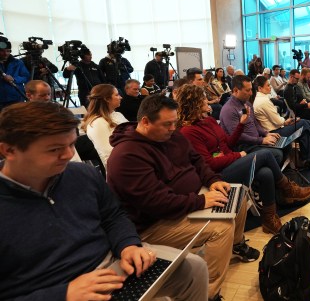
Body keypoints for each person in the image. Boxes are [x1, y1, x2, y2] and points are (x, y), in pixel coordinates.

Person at [0, 101, 208, 301]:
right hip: (55, 289)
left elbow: (113, 215)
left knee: (193, 268)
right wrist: (62, 294)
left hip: (114, 264)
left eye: (72, 144)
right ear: (9, 150)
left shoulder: (81, 174)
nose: (68, 154)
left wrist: (128, 244)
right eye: (54, 149)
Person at [106, 95, 259, 301]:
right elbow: (157, 203)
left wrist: (212, 180)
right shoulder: (126, 156)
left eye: (174, 122)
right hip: (154, 224)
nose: (172, 128)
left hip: (186, 201)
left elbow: (197, 160)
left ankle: (237, 244)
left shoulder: (170, 135)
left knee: (236, 195)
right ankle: (209, 293)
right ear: (145, 122)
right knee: (220, 229)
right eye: (167, 124)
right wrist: (201, 202)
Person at [176, 84, 310, 234]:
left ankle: (268, 220)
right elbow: (208, 163)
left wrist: (241, 125)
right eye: (203, 98)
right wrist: (237, 155)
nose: (206, 100)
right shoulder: (188, 131)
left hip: (229, 162)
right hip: (217, 176)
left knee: (266, 173)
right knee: (267, 154)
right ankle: (288, 189)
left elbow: (227, 144)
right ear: (195, 103)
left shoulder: (208, 121)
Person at [253, 75, 310, 169]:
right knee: (304, 123)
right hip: (274, 133)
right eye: (268, 85)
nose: (270, 87)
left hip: (274, 129)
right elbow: (278, 121)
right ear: (260, 88)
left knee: (303, 130)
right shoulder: (263, 101)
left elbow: (277, 120)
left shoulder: (261, 99)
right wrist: (285, 121)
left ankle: (308, 160)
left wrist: (285, 121)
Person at [219, 75, 285, 164]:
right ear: (235, 90)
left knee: (283, 144)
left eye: (251, 89)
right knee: (277, 153)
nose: (251, 93)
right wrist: (261, 140)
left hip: (254, 141)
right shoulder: (229, 109)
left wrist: (266, 133)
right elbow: (237, 137)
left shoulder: (247, 103)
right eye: (248, 90)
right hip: (243, 146)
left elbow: (255, 123)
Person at [82, 84, 127, 168]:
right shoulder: (97, 123)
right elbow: (108, 155)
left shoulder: (117, 114)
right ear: (107, 99)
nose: (121, 97)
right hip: (121, 166)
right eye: (117, 95)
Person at [0, 39, 29, 110]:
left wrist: (14, 79)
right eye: (2, 51)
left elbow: (26, 77)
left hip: (16, 97)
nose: (5, 53)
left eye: (8, 51)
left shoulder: (18, 63)